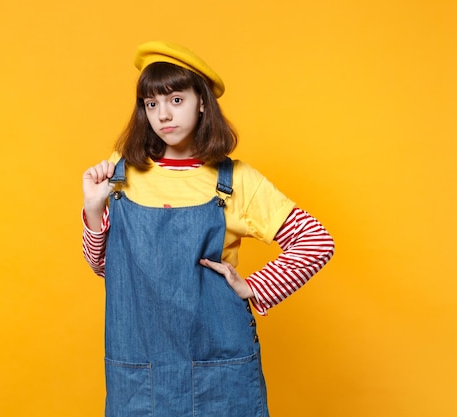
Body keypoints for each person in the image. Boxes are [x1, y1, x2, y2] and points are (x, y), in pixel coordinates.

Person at [81, 41, 334, 417]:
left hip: (219, 365)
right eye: (152, 104)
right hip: (139, 368)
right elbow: (104, 266)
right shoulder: (121, 174)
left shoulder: (236, 180)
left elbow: (315, 241)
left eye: (176, 100)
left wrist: (254, 286)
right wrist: (93, 206)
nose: (163, 115)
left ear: (202, 102)